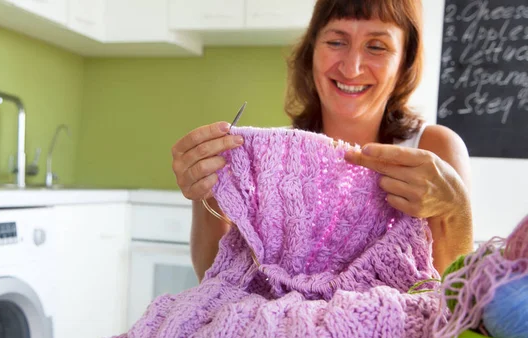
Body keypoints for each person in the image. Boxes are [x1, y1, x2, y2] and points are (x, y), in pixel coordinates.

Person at [171, 0, 473, 280]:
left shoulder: (434, 149)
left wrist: (455, 210)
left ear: (405, 61)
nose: (352, 67)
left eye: (377, 47)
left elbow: (456, 294)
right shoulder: (269, 161)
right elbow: (217, 280)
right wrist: (209, 190)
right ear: (312, 50)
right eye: (337, 42)